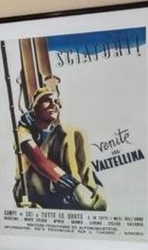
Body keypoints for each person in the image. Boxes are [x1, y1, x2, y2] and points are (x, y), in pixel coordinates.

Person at [13, 80, 106, 210]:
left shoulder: (58, 135)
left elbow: (81, 162)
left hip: (56, 183)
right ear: (35, 107)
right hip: (33, 184)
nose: (54, 104)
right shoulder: (24, 130)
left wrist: (96, 185)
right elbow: (38, 160)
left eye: (56, 102)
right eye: (47, 100)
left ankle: (88, 189)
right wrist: (72, 185)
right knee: (65, 131)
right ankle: (77, 194)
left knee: (78, 132)